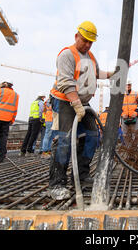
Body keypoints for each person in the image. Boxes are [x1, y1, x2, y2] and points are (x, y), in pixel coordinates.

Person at [47, 21, 115, 200]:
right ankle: (56, 184)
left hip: (83, 103)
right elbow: (65, 82)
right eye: (84, 41)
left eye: (90, 42)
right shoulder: (67, 55)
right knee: (64, 141)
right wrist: (76, 105)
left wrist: (112, 74)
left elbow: (96, 73)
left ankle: (82, 175)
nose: (87, 45)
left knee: (93, 136)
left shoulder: (91, 56)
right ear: (76, 36)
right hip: (65, 102)